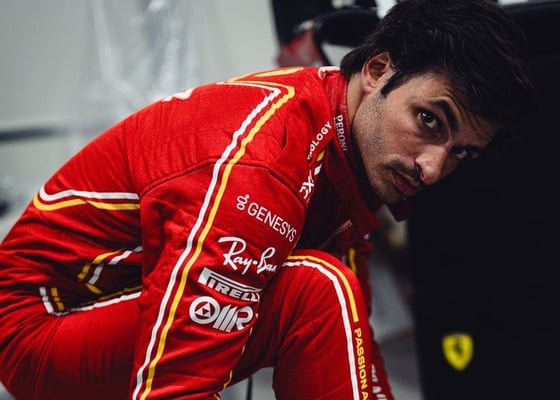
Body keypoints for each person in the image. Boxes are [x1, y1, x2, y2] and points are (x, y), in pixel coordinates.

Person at [0, 0, 534, 399]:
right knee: (316, 286)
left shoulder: (345, 150)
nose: (433, 167)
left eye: (461, 153)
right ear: (376, 71)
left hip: (110, 306)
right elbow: (176, 383)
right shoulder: (266, 162)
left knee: (334, 289)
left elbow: (355, 349)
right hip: (38, 323)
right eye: (429, 121)